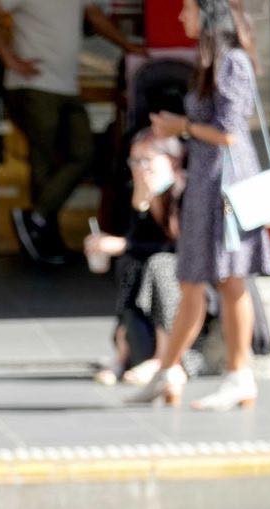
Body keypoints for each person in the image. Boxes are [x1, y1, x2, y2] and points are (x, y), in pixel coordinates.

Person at [131, 0, 270, 410]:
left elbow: (229, 132)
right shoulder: (212, 62)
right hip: (207, 183)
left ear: (208, 14)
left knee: (230, 281)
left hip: (227, 187)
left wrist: (181, 126)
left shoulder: (232, 63)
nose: (182, 17)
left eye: (188, 10)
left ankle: (237, 374)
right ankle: (169, 371)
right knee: (195, 281)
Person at [0, 0, 147, 264]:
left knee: (83, 154)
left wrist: (129, 47)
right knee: (45, 163)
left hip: (66, 87)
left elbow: (96, 18)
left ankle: (36, 218)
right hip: (33, 84)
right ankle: (43, 238)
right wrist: (10, 59)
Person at [86, 129, 185, 386]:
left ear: (171, 160)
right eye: (135, 161)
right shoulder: (138, 192)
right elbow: (138, 241)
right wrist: (142, 203)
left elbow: (177, 245)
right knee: (130, 265)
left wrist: (123, 244)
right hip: (154, 269)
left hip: (190, 278)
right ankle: (123, 352)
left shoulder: (185, 193)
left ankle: (164, 358)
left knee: (159, 265)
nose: (140, 168)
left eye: (147, 160)